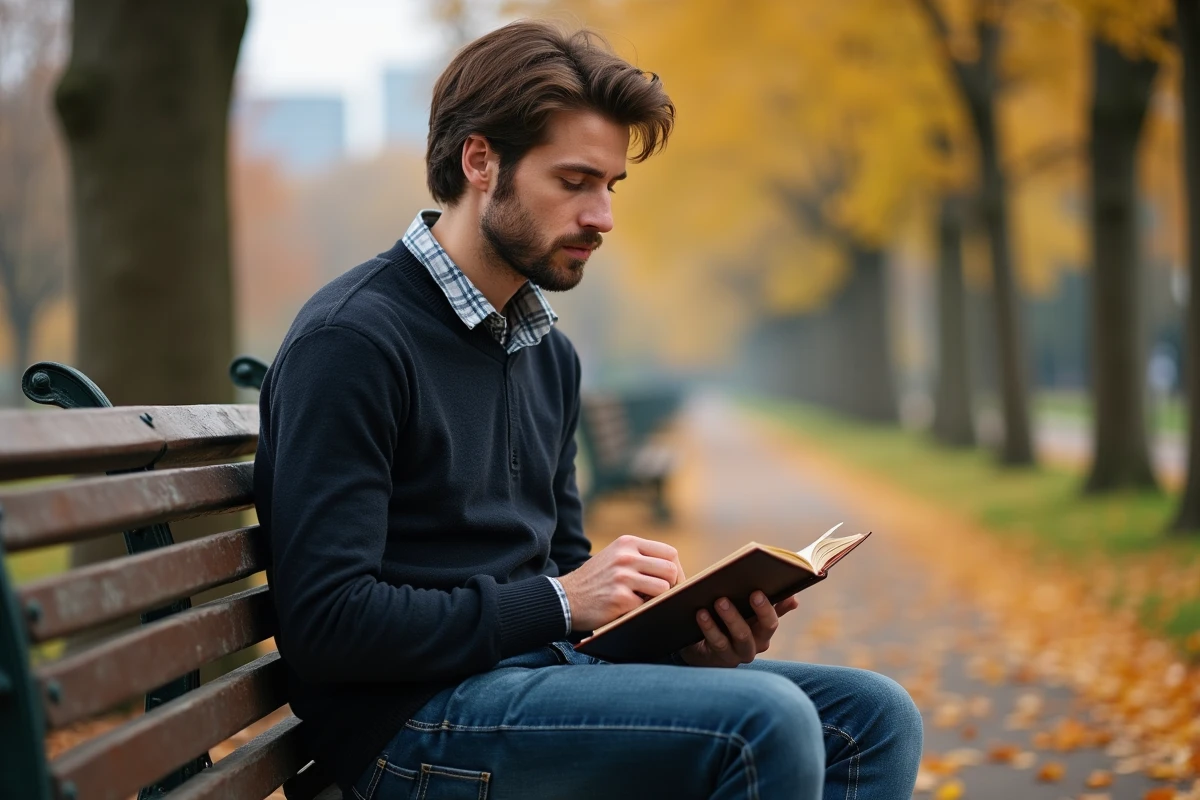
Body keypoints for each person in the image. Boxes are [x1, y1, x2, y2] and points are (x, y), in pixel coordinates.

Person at [254, 19, 923, 800]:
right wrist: (563, 600)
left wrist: (683, 648)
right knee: (765, 721)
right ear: (481, 161)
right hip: (408, 727)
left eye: (610, 187)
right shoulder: (353, 341)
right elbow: (329, 622)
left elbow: (565, 585)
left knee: (875, 716)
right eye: (573, 182)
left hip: (535, 685)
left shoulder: (548, 354)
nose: (602, 216)